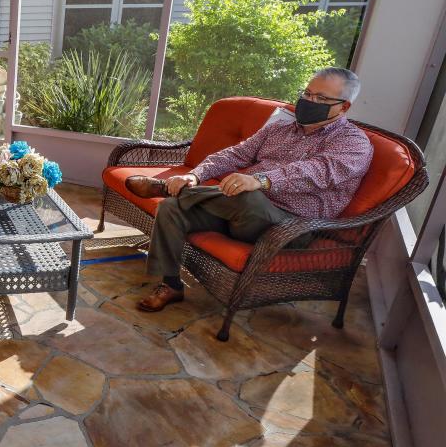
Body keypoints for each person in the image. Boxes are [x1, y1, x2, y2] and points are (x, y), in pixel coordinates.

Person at [127, 67, 373, 312]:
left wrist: (263, 180)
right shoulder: (280, 129)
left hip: (290, 226)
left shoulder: (353, 142)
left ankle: (170, 189)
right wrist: (195, 174)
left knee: (247, 194)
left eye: (321, 99)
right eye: (307, 94)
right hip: (237, 210)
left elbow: (319, 171)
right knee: (171, 209)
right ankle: (170, 284)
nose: (310, 101)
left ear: (344, 107)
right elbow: (237, 153)